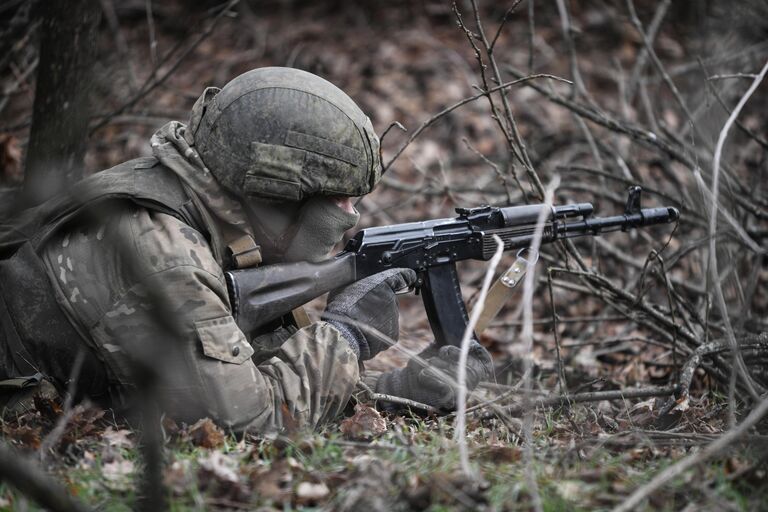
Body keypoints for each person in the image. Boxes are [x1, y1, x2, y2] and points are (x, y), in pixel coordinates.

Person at [0, 67, 492, 433]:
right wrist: (346, 336)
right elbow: (244, 423)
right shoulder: (164, 253)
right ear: (273, 192)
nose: (349, 214)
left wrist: (399, 392)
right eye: (337, 198)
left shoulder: (205, 210)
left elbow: (242, 370)